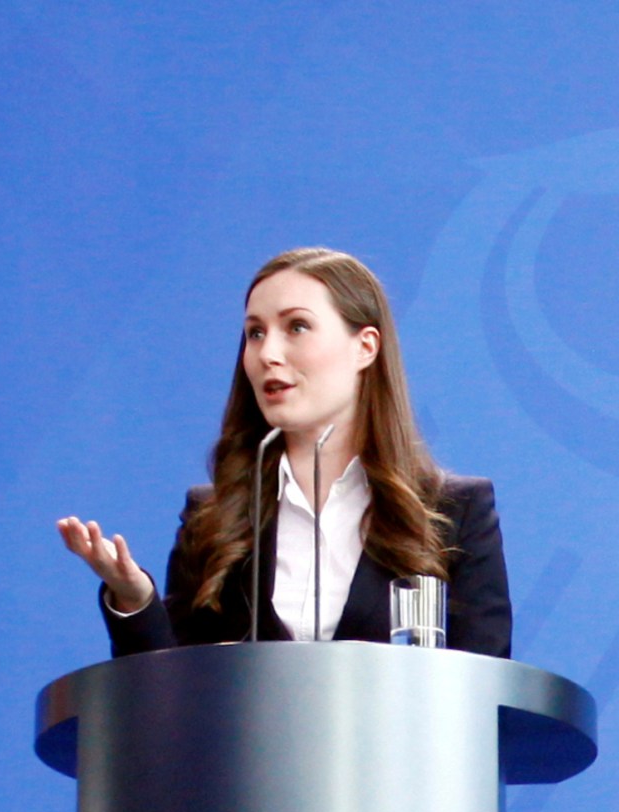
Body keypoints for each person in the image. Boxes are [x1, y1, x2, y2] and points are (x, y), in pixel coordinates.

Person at [58, 247, 511, 657]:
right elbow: (172, 691)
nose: (268, 353)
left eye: (297, 327)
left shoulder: (455, 511)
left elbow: (488, 688)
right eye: (255, 333)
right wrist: (134, 599)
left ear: (365, 347)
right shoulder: (212, 518)